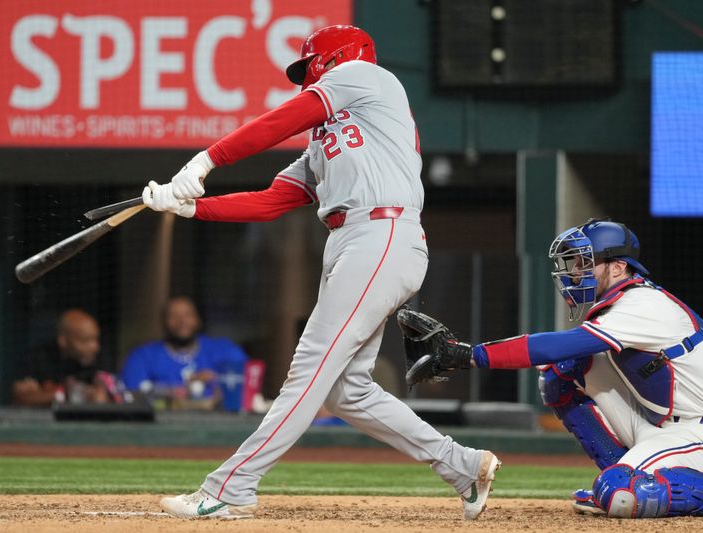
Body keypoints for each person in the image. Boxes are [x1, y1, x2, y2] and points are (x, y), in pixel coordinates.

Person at [143, 25, 500, 520]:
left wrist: (207, 159)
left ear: (333, 58)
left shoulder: (367, 76)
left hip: (382, 232)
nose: (307, 77)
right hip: (354, 242)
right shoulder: (327, 141)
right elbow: (271, 201)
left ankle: (230, 487)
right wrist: (189, 210)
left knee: (309, 369)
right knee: (345, 390)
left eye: (310, 66)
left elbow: (285, 117)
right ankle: (462, 466)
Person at [402, 219, 703, 519]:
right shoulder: (620, 304)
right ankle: (624, 473)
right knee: (561, 371)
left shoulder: (644, 305)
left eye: (585, 263)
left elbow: (556, 344)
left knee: (620, 494)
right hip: (663, 422)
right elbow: (560, 357)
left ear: (617, 268)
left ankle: (629, 482)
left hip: (694, 428)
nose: (574, 272)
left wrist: (469, 354)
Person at [120, 296, 248, 412]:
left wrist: (216, 379)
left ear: (198, 319)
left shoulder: (223, 349)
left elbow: (249, 381)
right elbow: (130, 395)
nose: (182, 321)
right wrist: (171, 392)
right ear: (163, 322)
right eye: (173, 315)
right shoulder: (143, 356)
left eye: (188, 314)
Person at [12, 309, 115, 407]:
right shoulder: (38, 357)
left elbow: (107, 398)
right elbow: (20, 397)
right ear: (63, 341)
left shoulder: (100, 357)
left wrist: (48, 394)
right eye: (85, 341)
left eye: (95, 339)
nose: (94, 347)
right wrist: (68, 394)